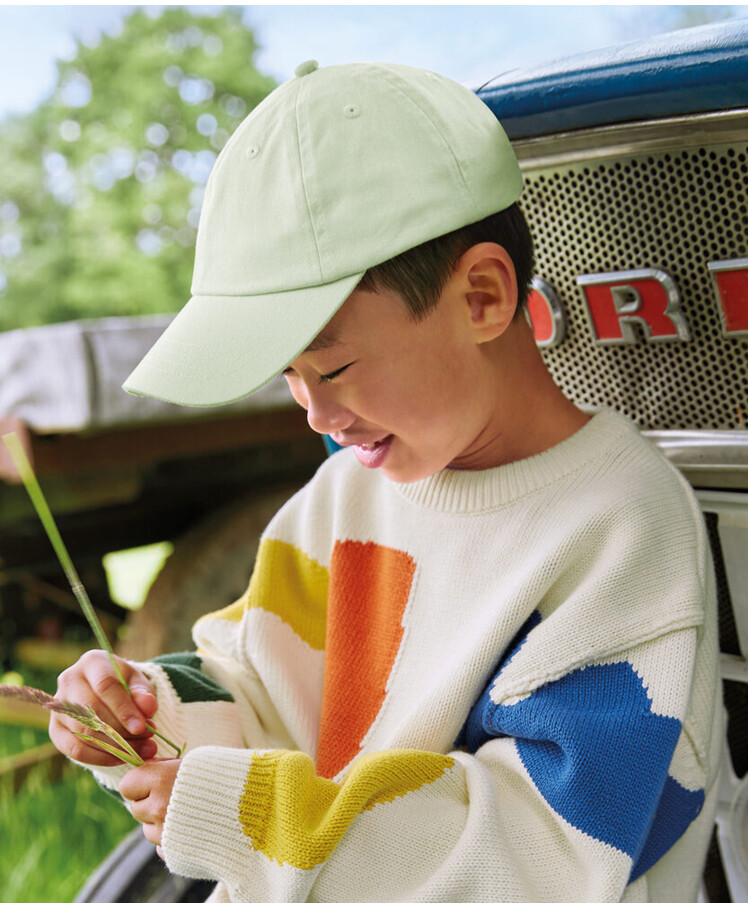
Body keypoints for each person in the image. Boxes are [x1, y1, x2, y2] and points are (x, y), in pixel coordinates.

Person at [49, 60, 722, 902]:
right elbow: (261, 685)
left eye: (333, 367)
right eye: (289, 377)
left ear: (481, 296)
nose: (314, 414)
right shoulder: (343, 502)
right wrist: (152, 716)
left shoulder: (616, 531)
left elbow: (545, 850)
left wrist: (260, 816)